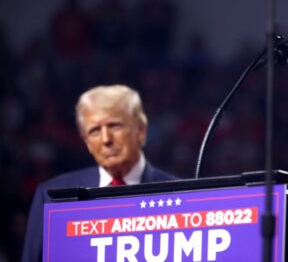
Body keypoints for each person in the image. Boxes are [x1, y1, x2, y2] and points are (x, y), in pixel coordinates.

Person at [21, 85, 177, 262]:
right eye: (94, 131)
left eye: (115, 126)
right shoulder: (53, 198)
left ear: (141, 130)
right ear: (86, 142)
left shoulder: (180, 197)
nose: (106, 139)